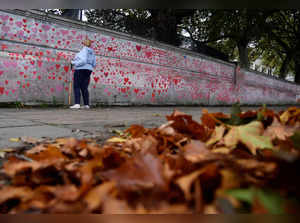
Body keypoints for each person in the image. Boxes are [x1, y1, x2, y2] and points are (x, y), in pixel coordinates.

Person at [70, 38, 96, 109]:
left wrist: (73, 63)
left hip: (80, 69)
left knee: (77, 86)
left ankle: (77, 104)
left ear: (84, 43)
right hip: (89, 70)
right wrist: (89, 66)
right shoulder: (92, 52)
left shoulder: (84, 50)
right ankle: (86, 104)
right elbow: (94, 63)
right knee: (84, 87)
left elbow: (83, 60)